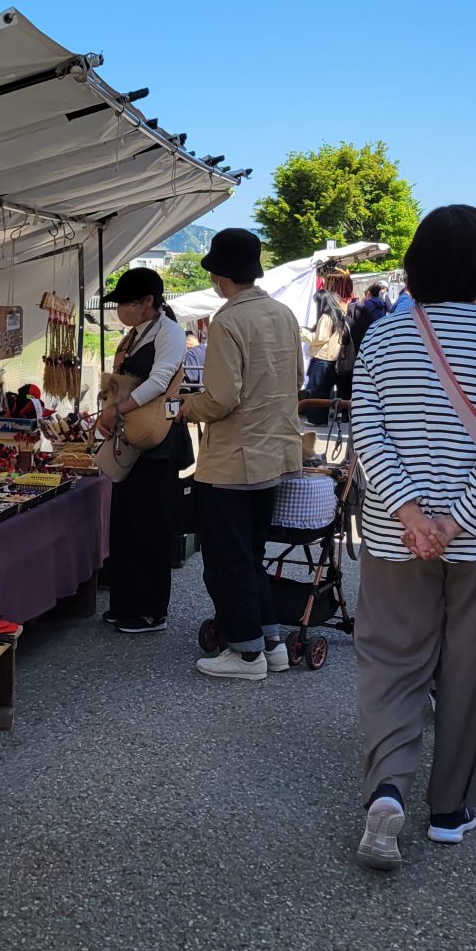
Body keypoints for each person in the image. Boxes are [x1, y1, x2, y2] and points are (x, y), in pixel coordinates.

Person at [352, 206, 476, 870]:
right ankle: (451, 811)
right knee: (473, 666)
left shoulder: (383, 338)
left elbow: (366, 435)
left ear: (416, 263)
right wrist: (456, 521)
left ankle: (390, 787)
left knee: (392, 660)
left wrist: (411, 515)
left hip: (393, 536)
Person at [178, 228, 304, 681]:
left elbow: (222, 397)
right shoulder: (284, 314)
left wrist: (186, 406)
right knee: (252, 555)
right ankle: (270, 644)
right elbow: (297, 379)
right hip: (274, 453)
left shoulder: (228, 321)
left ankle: (245, 653)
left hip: (233, 458)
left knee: (227, 559)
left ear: (219, 275)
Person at [97, 267, 193, 635]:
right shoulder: (135, 334)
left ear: (148, 302)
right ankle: (124, 602)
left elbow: (159, 379)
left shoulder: (167, 331)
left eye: (126, 303)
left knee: (150, 525)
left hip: (158, 441)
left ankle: (151, 609)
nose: (121, 310)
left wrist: (117, 409)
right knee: (125, 522)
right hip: (131, 438)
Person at [347, 280, 390, 351]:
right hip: (380, 331)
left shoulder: (366, 305)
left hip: (369, 332)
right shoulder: (382, 304)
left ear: (369, 293)